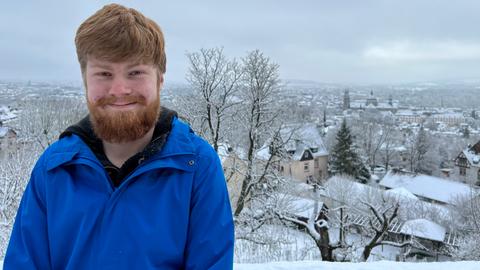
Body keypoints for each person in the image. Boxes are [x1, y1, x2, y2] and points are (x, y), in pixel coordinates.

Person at [4, 4, 234, 269]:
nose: (120, 89)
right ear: (85, 81)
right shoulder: (54, 168)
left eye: (135, 72)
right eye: (104, 73)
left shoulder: (196, 166)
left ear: (160, 79)